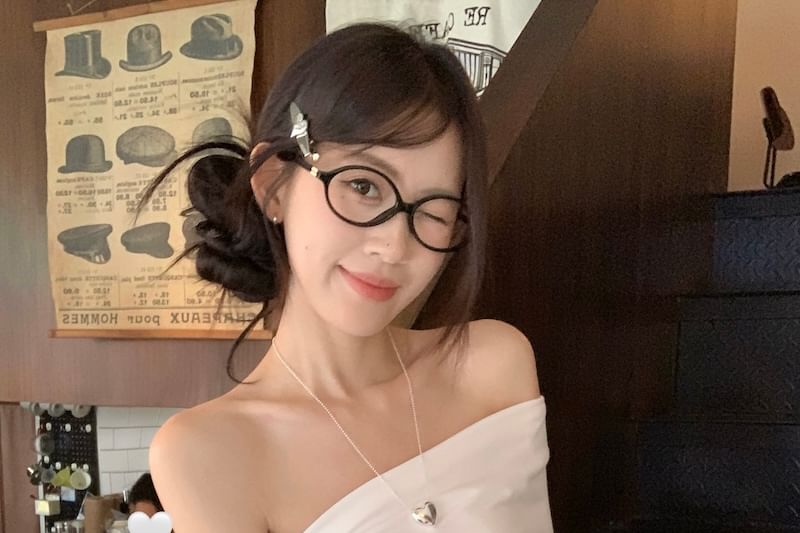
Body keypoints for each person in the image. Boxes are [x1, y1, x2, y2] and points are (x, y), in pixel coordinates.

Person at [144, 22, 553, 533]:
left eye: (435, 209)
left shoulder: (492, 363)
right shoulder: (209, 453)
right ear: (273, 185)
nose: (394, 246)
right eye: (363, 186)